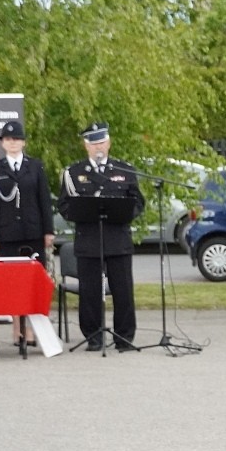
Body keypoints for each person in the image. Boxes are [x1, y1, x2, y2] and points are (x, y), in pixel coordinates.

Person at [57, 122, 144, 352]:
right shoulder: (73, 173)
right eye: (93, 143)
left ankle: (124, 338)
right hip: (89, 238)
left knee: (123, 290)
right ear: (85, 146)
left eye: (102, 142)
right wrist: (79, 212)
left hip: (118, 237)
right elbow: (64, 205)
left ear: (109, 143)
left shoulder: (124, 170)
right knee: (90, 292)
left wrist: (124, 214)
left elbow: (138, 202)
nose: (98, 147)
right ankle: (94, 337)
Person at [0, 120, 53, 349]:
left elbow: (44, 200)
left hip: (33, 231)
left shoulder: (35, 166)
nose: (12, 143)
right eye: (7, 139)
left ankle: (33, 329)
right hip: (8, 233)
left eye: (16, 139)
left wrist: (48, 230)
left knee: (34, 282)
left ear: (23, 142)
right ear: (3, 144)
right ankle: (18, 329)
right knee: (14, 284)